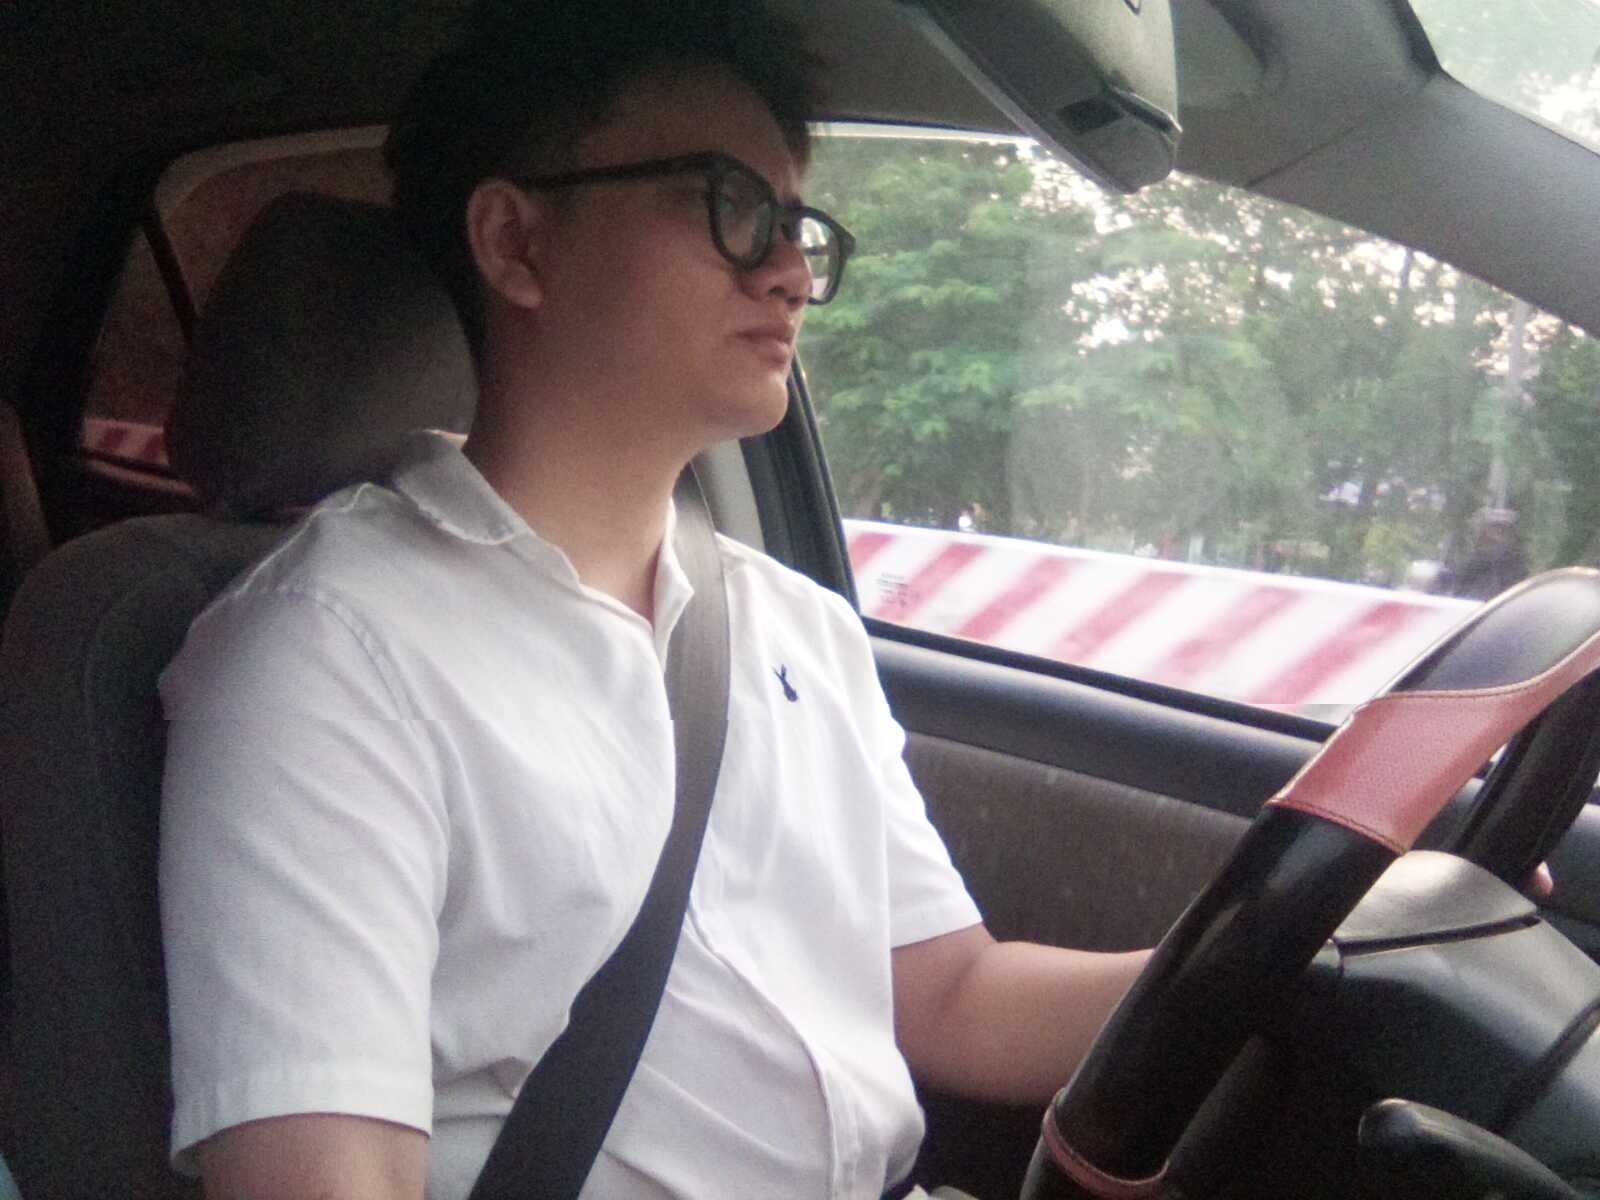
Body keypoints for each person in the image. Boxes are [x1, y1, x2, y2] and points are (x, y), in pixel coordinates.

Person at [157, 3, 1151, 1197]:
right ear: (516, 242)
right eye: (729, 206)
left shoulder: (796, 626)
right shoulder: (327, 656)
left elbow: (950, 996)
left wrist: (1260, 959)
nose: (791, 274)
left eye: (795, 226)